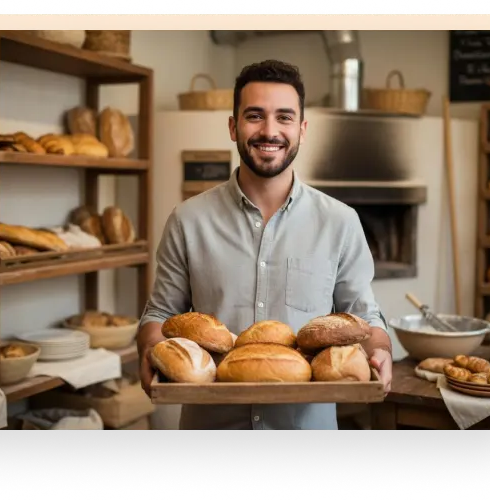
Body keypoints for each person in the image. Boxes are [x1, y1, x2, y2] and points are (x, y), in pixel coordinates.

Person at [136, 59, 393, 430]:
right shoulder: (188, 220)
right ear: (233, 126)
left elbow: (364, 318)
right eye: (254, 116)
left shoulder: (340, 222)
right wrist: (148, 349)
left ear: (302, 129)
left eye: (284, 117)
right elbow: (160, 315)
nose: (269, 131)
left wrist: (381, 351)